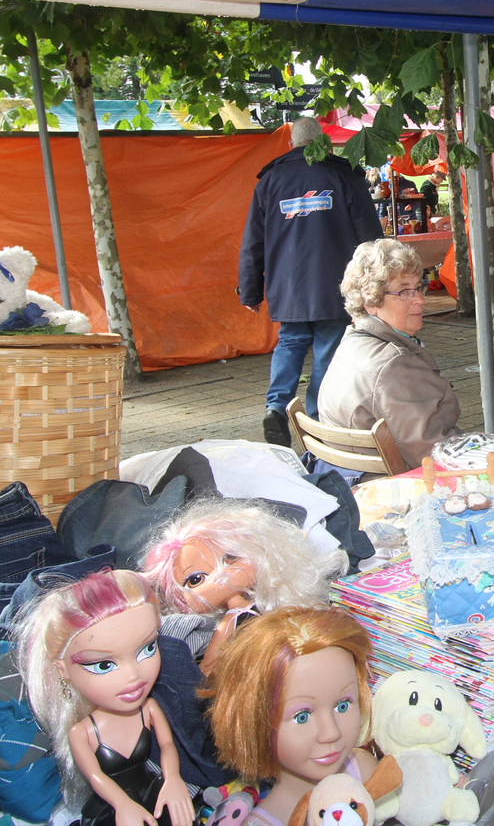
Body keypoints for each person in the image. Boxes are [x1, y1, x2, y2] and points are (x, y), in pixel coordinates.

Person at [238, 115, 382, 447]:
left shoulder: (269, 181)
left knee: (290, 342)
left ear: (291, 144)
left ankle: (276, 408)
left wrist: (250, 291)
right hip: (335, 285)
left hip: (287, 287)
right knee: (328, 350)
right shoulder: (344, 175)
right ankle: (317, 419)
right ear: (324, 142)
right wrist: (375, 284)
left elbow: (253, 242)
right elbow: (370, 237)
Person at [17, 570, 196, 826]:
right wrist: (122, 804)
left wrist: (173, 779)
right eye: (103, 665)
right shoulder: (82, 733)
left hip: (154, 793)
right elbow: (95, 777)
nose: (133, 676)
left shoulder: (149, 709)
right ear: (63, 670)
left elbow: (168, 746)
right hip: (113, 810)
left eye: (147, 648)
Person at [204, 606, 383, 826]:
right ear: (254, 723)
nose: (331, 733)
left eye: (343, 705)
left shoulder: (363, 769)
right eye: (302, 717)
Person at [139, 500, 342, 674]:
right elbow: (211, 666)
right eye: (195, 580)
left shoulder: (274, 606)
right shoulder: (230, 621)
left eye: (230, 558)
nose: (220, 575)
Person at [317, 238, 460, 469]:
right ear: (370, 302)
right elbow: (433, 456)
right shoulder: (394, 365)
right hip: (393, 485)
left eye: (418, 288)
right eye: (404, 292)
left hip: (349, 478)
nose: (420, 300)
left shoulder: (351, 342)